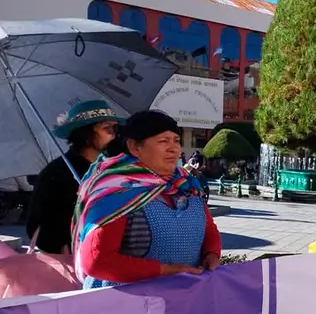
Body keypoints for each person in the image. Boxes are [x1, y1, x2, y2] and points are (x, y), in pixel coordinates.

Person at [74, 111, 221, 289]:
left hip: (180, 303)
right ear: (135, 147)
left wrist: (212, 254)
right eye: (163, 141)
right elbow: (97, 261)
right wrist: (166, 270)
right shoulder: (118, 191)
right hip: (121, 306)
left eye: (176, 141)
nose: (174, 149)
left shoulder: (186, 184)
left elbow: (208, 228)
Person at [26, 100, 121, 254]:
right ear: (85, 134)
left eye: (115, 127)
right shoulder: (57, 173)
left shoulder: (108, 167)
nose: (113, 134)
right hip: (73, 256)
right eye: (107, 128)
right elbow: (39, 226)